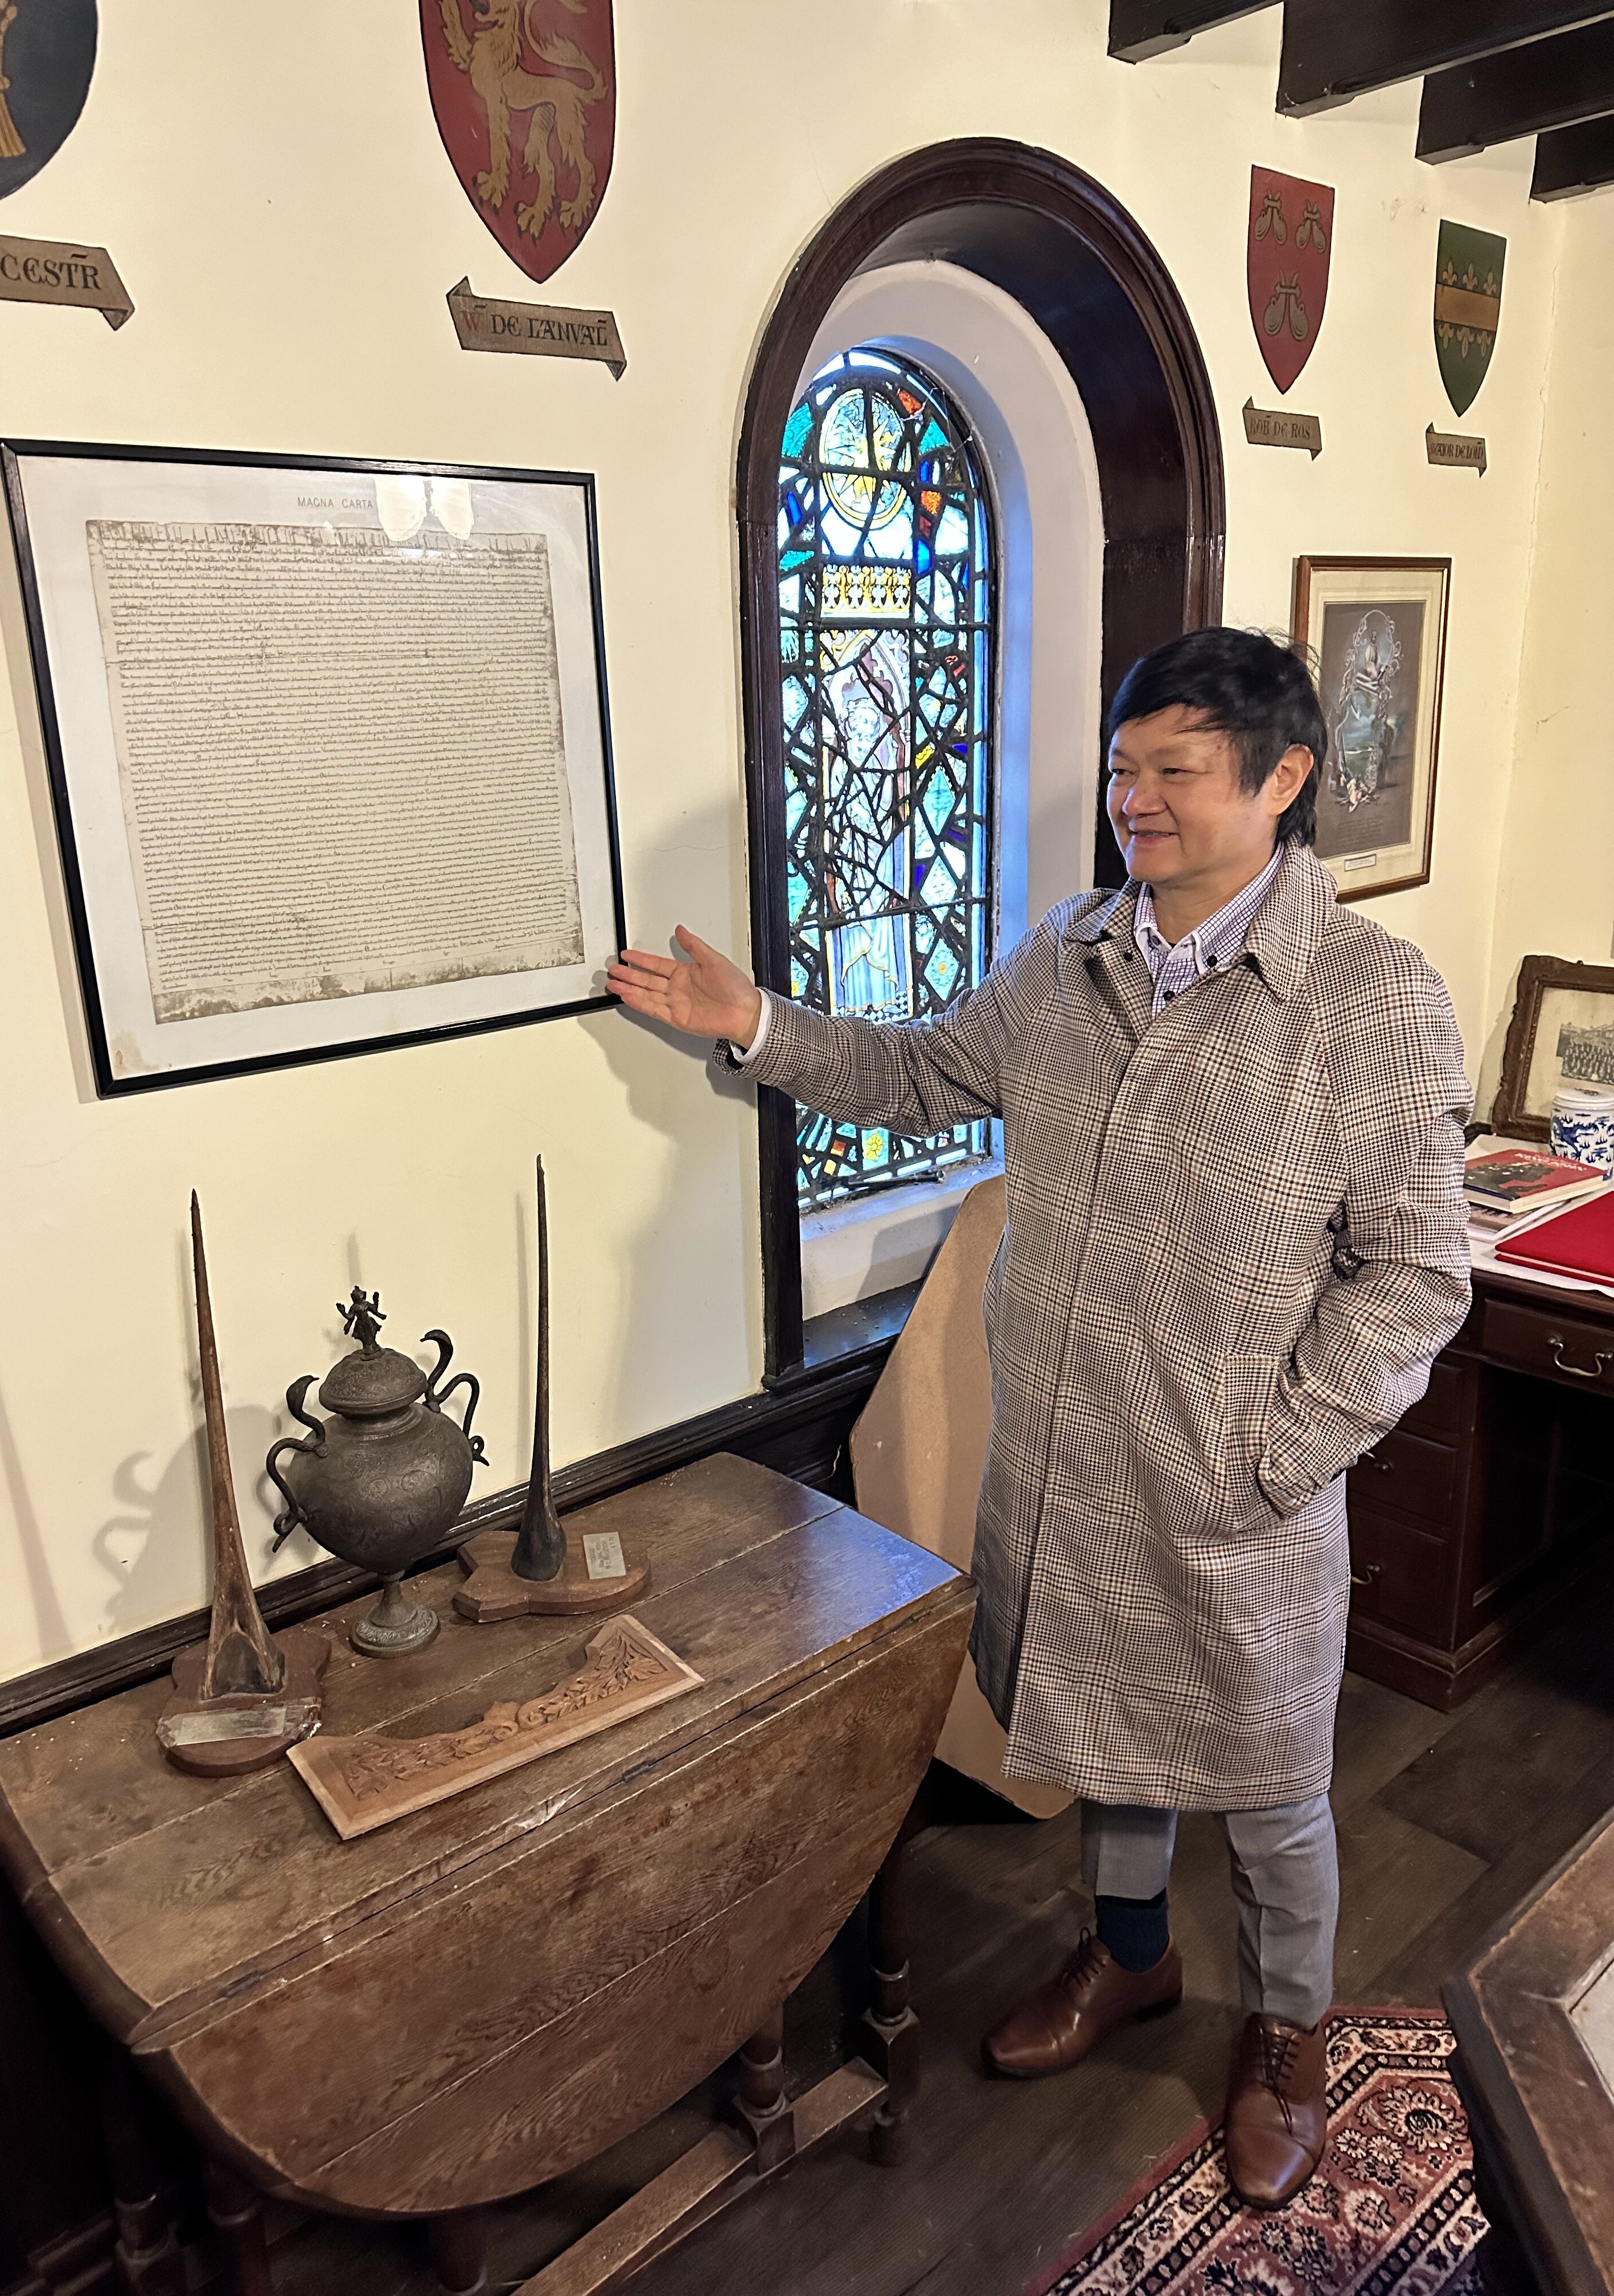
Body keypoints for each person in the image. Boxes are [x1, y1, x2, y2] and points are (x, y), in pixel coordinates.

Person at [607, 628, 1472, 2209]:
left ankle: (1289, 2037)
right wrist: (755, 1022)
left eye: (1175, 771)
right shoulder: (1066, 957)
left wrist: (1282, 1452)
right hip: (1064, 1472)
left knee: (1273, 1791)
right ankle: (1130, 1957)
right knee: (1099, 1738)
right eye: (1125, 768)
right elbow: (918, 1078)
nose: (1135, 799)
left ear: (1283, 778)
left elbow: (1415, 1271)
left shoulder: (1374, 999)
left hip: (1242, 1490)